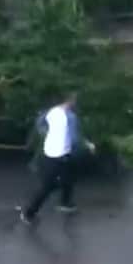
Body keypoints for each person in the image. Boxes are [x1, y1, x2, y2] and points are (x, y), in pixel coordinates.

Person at [19, 92, 94, 224]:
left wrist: (48, 134)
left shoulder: (50, 112)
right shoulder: (70, 117)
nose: (75, 102)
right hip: (59, 155)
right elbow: (75, 138)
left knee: (69, 177)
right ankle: (28, 213)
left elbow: (40, 123)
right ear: (69, 100)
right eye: (74, 99)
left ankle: (65, 203)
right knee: (48, 186)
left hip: (50, 152)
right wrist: (87, 145)